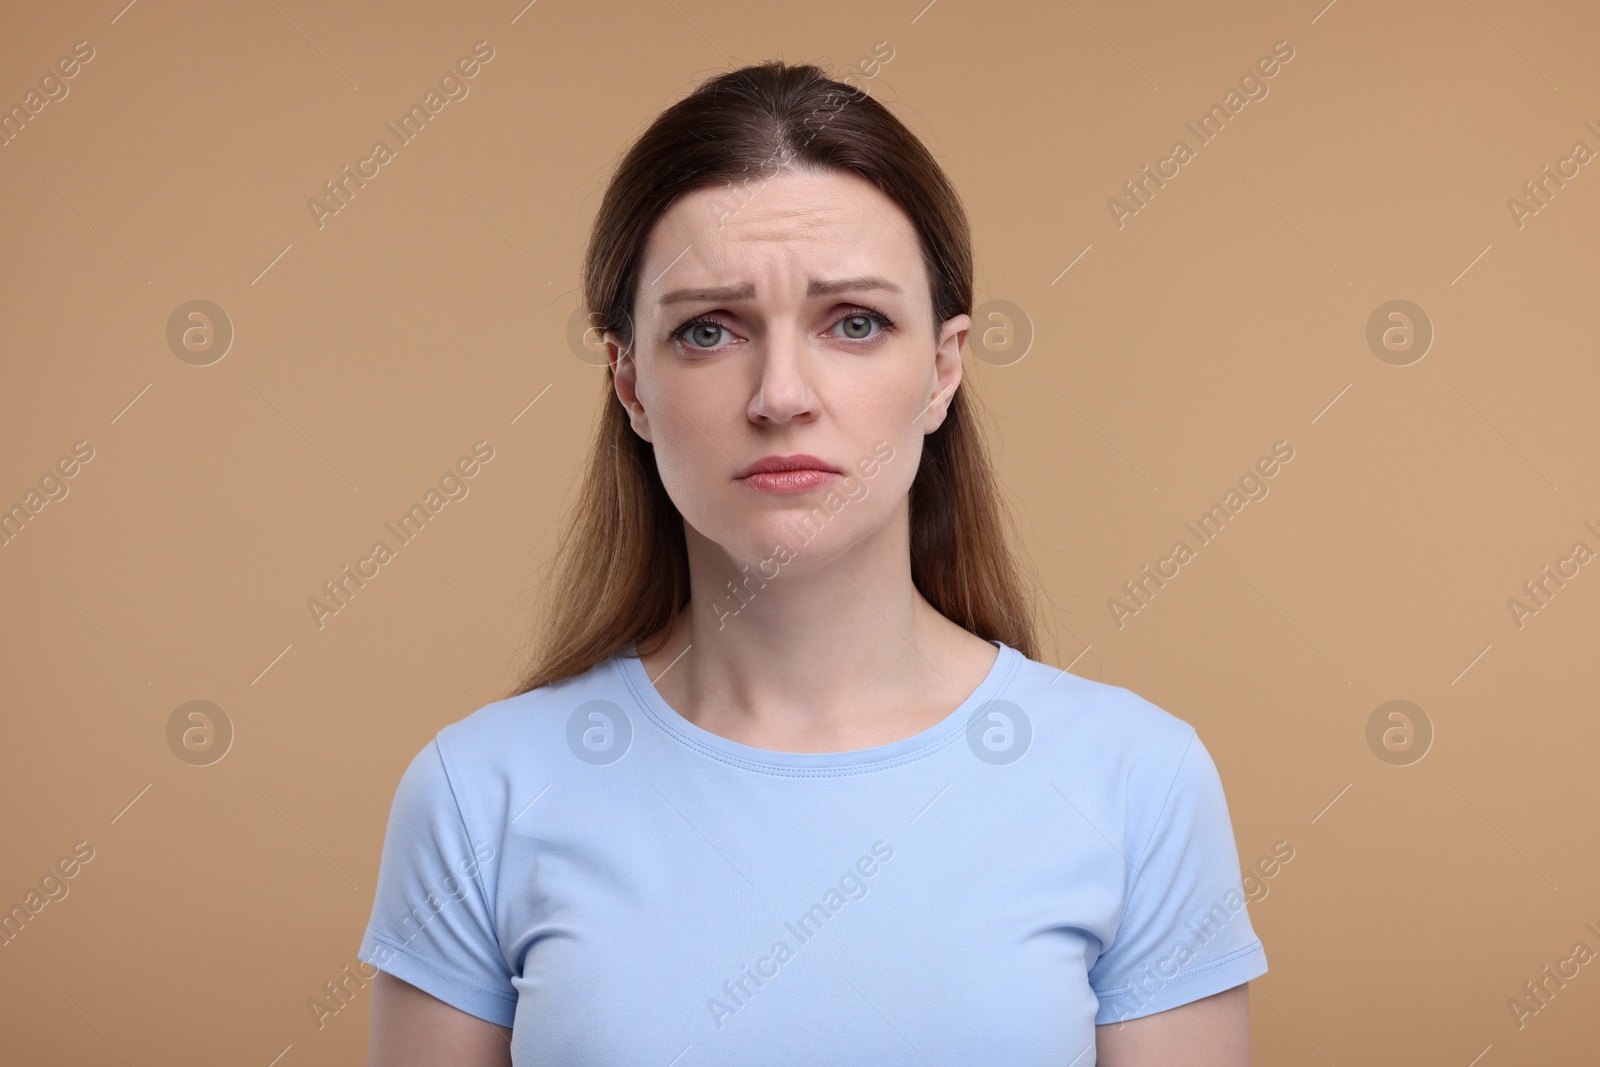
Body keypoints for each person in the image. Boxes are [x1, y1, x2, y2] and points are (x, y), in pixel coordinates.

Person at [358, 59, 1267, 1066]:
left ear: (942, 368)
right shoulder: (479, 792)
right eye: (708, 329)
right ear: (629, 384)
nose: (780, 392)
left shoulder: (1136, 780)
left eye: (854, 322)